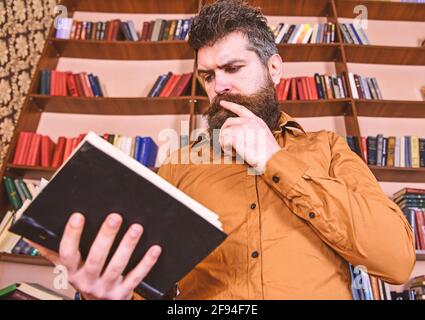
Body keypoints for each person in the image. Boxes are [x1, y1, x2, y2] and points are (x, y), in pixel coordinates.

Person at [31, 0, 415, 300]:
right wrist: (98, 293)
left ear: (275, 69)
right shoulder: (180, 165)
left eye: (234, 68)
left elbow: (396, 261)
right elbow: (145, 281)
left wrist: (273, 160)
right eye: (210, 76)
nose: (219, 87)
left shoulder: (328, 149)